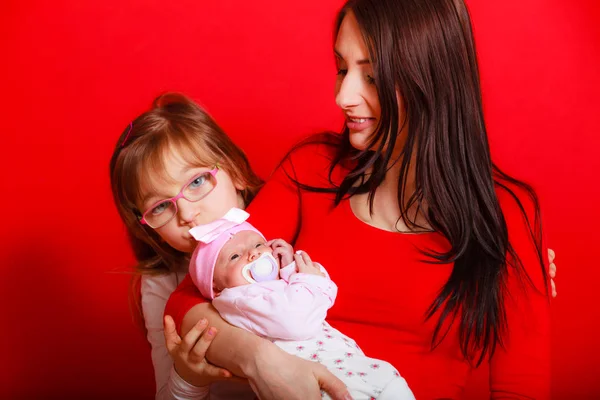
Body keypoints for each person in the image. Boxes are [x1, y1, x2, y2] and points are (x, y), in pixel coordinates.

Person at [159, 0, 557, 399]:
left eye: (371, 76)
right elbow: (186, 300)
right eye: (342, 69)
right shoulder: (311, 169)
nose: (343, 95)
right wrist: (263, 361)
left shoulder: (506, 214)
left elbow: (521, 389)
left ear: (432, 79)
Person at [184, 207, 414, 399]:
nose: (253, 255)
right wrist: (306, 278)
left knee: (392, 384)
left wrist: (290, 269)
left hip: (353, 364)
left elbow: (322, 294)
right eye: (235, 256)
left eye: (257, 245)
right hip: (318, 378)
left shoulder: (274, 288)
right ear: (215, 287)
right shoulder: (239, 300)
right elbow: (294, 320)